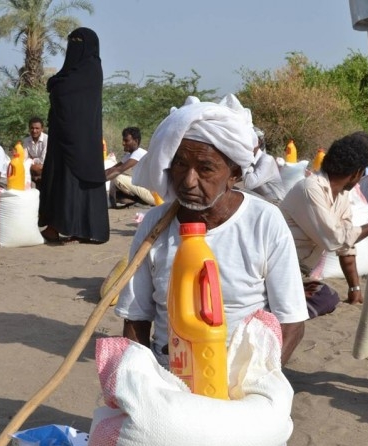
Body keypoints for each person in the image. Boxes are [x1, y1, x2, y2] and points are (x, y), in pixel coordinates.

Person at [114, 94, 309, 367]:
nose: (189, 181)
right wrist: (144, 378)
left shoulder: (264, 221)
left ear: (234, 174)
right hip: (168, 369)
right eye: (180, 164)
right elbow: (136, 317)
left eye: (205, 168)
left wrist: (258, 380)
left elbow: (291, 323)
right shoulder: (155, 224)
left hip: (243, 374)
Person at [280, 134, 368, 309]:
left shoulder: (342, 196)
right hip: (279, 267)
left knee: (328, 297)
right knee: (323, 299)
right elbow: (334, 239)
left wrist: (354, 287)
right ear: (357, 173)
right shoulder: (310, 188)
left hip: (298, 271)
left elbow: (345, 244)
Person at [38, 27, 109, 244]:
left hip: (79, 140)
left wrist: (55, 84)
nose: (73, 47)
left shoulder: (90, 70)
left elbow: (65, 92)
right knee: (60, 180)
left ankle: (67, 228)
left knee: (70, 181)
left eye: (78, 42)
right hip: (64, 137)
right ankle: (60, 227)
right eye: (72, 41)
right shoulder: (75, 71)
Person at [105, 127, 155, 207]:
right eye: (123, 140)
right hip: (146, 191)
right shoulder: (129, 155)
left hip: (153, 195)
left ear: (136, 141)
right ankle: (135, 201)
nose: (123, 143)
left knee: (116, 177)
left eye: (126, 140)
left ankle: (112, 203)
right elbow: (113, 168)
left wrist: (97, 181)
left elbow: (118, 170)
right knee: (116, 177)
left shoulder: (139, 153)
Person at [240, 126, 286, 205]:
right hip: (262, 199)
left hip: (275, 202)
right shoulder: (253, 158)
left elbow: (249, 184)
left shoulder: (267, 160)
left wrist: (246, 161)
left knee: (240, 193)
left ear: (258, 142)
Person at [23, 116, 48, 190]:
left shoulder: (47, 139)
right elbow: (24, 159)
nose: (34, 131)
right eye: (32, 128)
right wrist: (32, 161)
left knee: (37, 168)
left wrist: (31, 159)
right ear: (29, 128)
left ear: (42, 129)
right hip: (33, 168)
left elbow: (43, 160)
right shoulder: (26, 140)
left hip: (45, 167)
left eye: (37, 128)